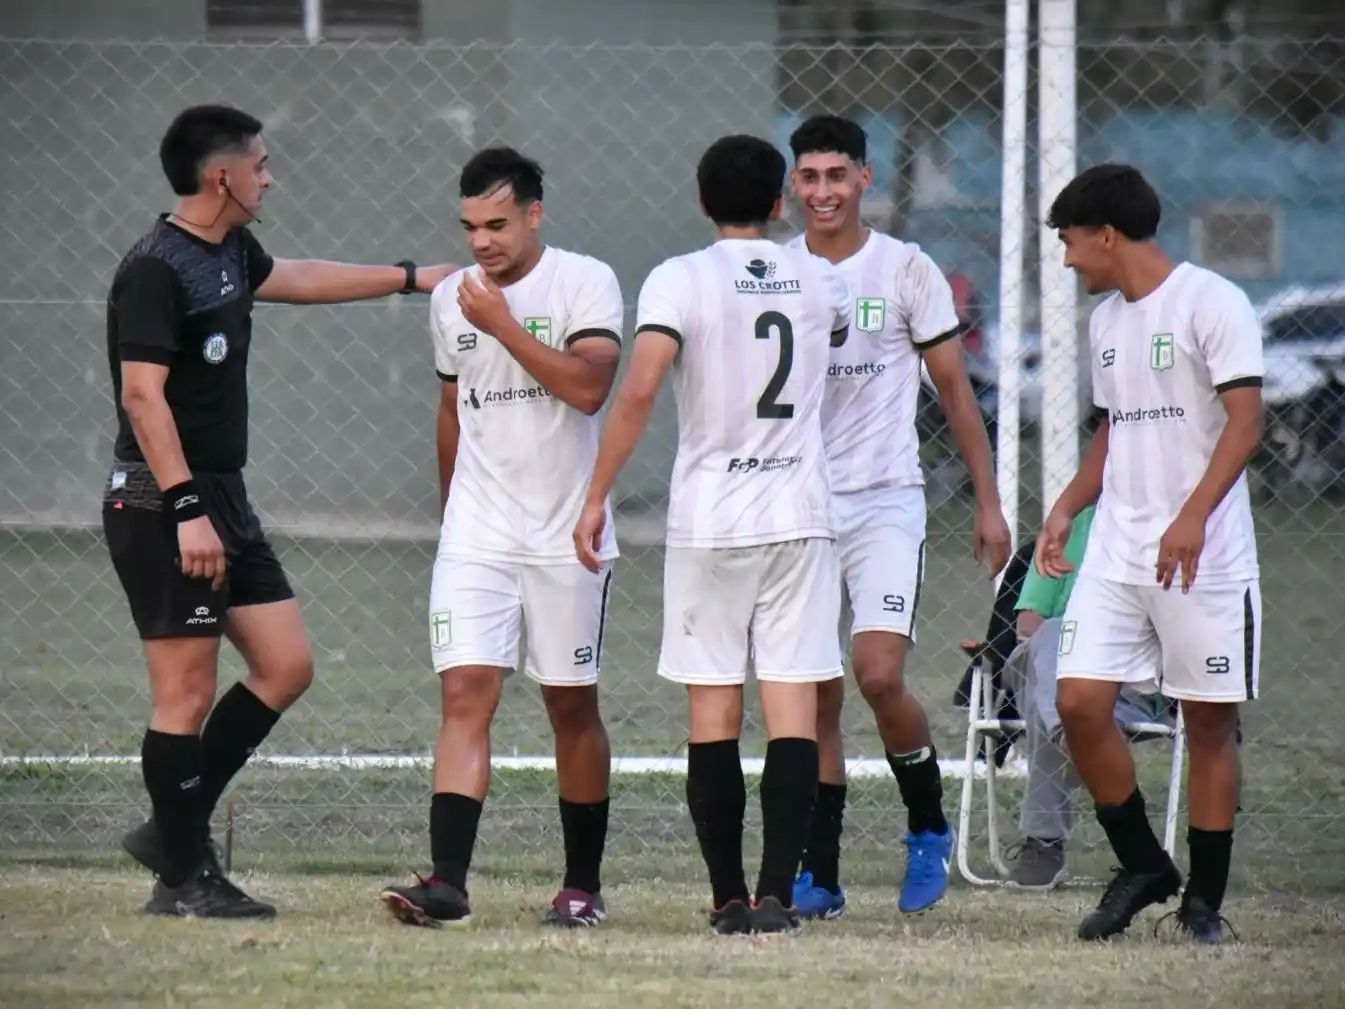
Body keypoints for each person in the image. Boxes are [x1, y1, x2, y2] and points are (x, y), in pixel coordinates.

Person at [105, 104, 455, 919]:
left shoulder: (229, 248)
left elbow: (292, 277)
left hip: (222, 494)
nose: (271, 178)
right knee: (184, 695)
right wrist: (187, 509)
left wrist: (411, 278)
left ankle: (169, 835)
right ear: (221, 176)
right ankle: (185, 878)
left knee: (286, 664)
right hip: (165, 500)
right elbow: (142, 397)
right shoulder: (155, 267)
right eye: (261, 165)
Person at [572, 134, 850, 936]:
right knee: (793, 703)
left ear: (701, 201)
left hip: (711, 517)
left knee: (713, 707)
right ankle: (776, 895)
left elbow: (638, 390)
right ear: (779, 201)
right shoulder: (819, 278)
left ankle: (728, 896)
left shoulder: (679, 278)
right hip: (799, 514)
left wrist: (596, 494)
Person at [379, 147, 624, 930]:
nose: (481, 241)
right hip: (477, 532)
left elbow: (589, 387)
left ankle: (581, 886)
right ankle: (447, 885)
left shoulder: (585, 281)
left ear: (533, 214)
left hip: (565, 534)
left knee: (569, 705)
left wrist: (503, 324)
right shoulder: (450, 298)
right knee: (464, 693)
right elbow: (453, 408)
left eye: (496, 224)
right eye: (469, 227)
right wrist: (451, 514)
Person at [783, 114, 1012, 919]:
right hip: (798, 505)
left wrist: (988, 501)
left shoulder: (905, 269)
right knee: (813, 693)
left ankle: (926, 825)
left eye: (836, 175)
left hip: (884, 499)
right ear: (793, 185)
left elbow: (954, 389)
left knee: (877, 674)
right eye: (808, 177)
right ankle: (819, 872)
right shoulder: (777, 273)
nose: (823, 191)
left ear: (864, 179)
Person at [1037, 164, 1263, 944]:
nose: (1067, 259)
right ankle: (1142, 864)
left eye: (1069, 242)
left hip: (1204, 556)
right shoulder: (1105, 321)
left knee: (1208, 723)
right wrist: (1068, 505)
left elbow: (1244, 422)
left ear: (1105, 235)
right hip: (1117, 552)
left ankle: (1202, 903)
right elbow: (1115, 426)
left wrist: (1192, 515)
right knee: (1077, 702)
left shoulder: (1211, 301)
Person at [1005, 503, 1176, 889]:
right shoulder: (1073, 524)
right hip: (1053, 662)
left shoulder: (1168, 527)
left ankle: (1044, 843)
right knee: (1054, 637)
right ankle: (1071, 737)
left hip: (1127, 680)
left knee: (1049, 690)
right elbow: (1029, 624)